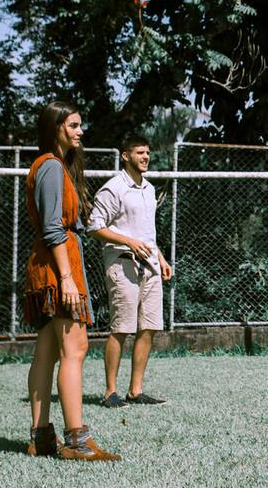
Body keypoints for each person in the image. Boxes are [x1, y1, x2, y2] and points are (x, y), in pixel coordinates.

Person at [23, 100, 120, 461]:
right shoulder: (50, 167)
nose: (81, 132)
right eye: (75, 125)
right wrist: (66, 278)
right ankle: (77, 442)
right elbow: (52, 228)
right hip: (58, 268)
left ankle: (42, 438)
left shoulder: (52, 166)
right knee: (75, 350)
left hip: (49, 267)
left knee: (47, 352)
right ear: (58, 126)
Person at [87, 134, 172, 408]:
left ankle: (136, 391)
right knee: (121, 328)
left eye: (147, 152)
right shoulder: (114, 188)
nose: (145, 157)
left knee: (148, 327)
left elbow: (146, 232)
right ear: (125, 156)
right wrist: (128, 242)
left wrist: (161, 257)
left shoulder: (148, 188)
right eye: (139, 153)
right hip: (122, 263)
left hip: (150, 265)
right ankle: (110, 393)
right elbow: (94, 227)